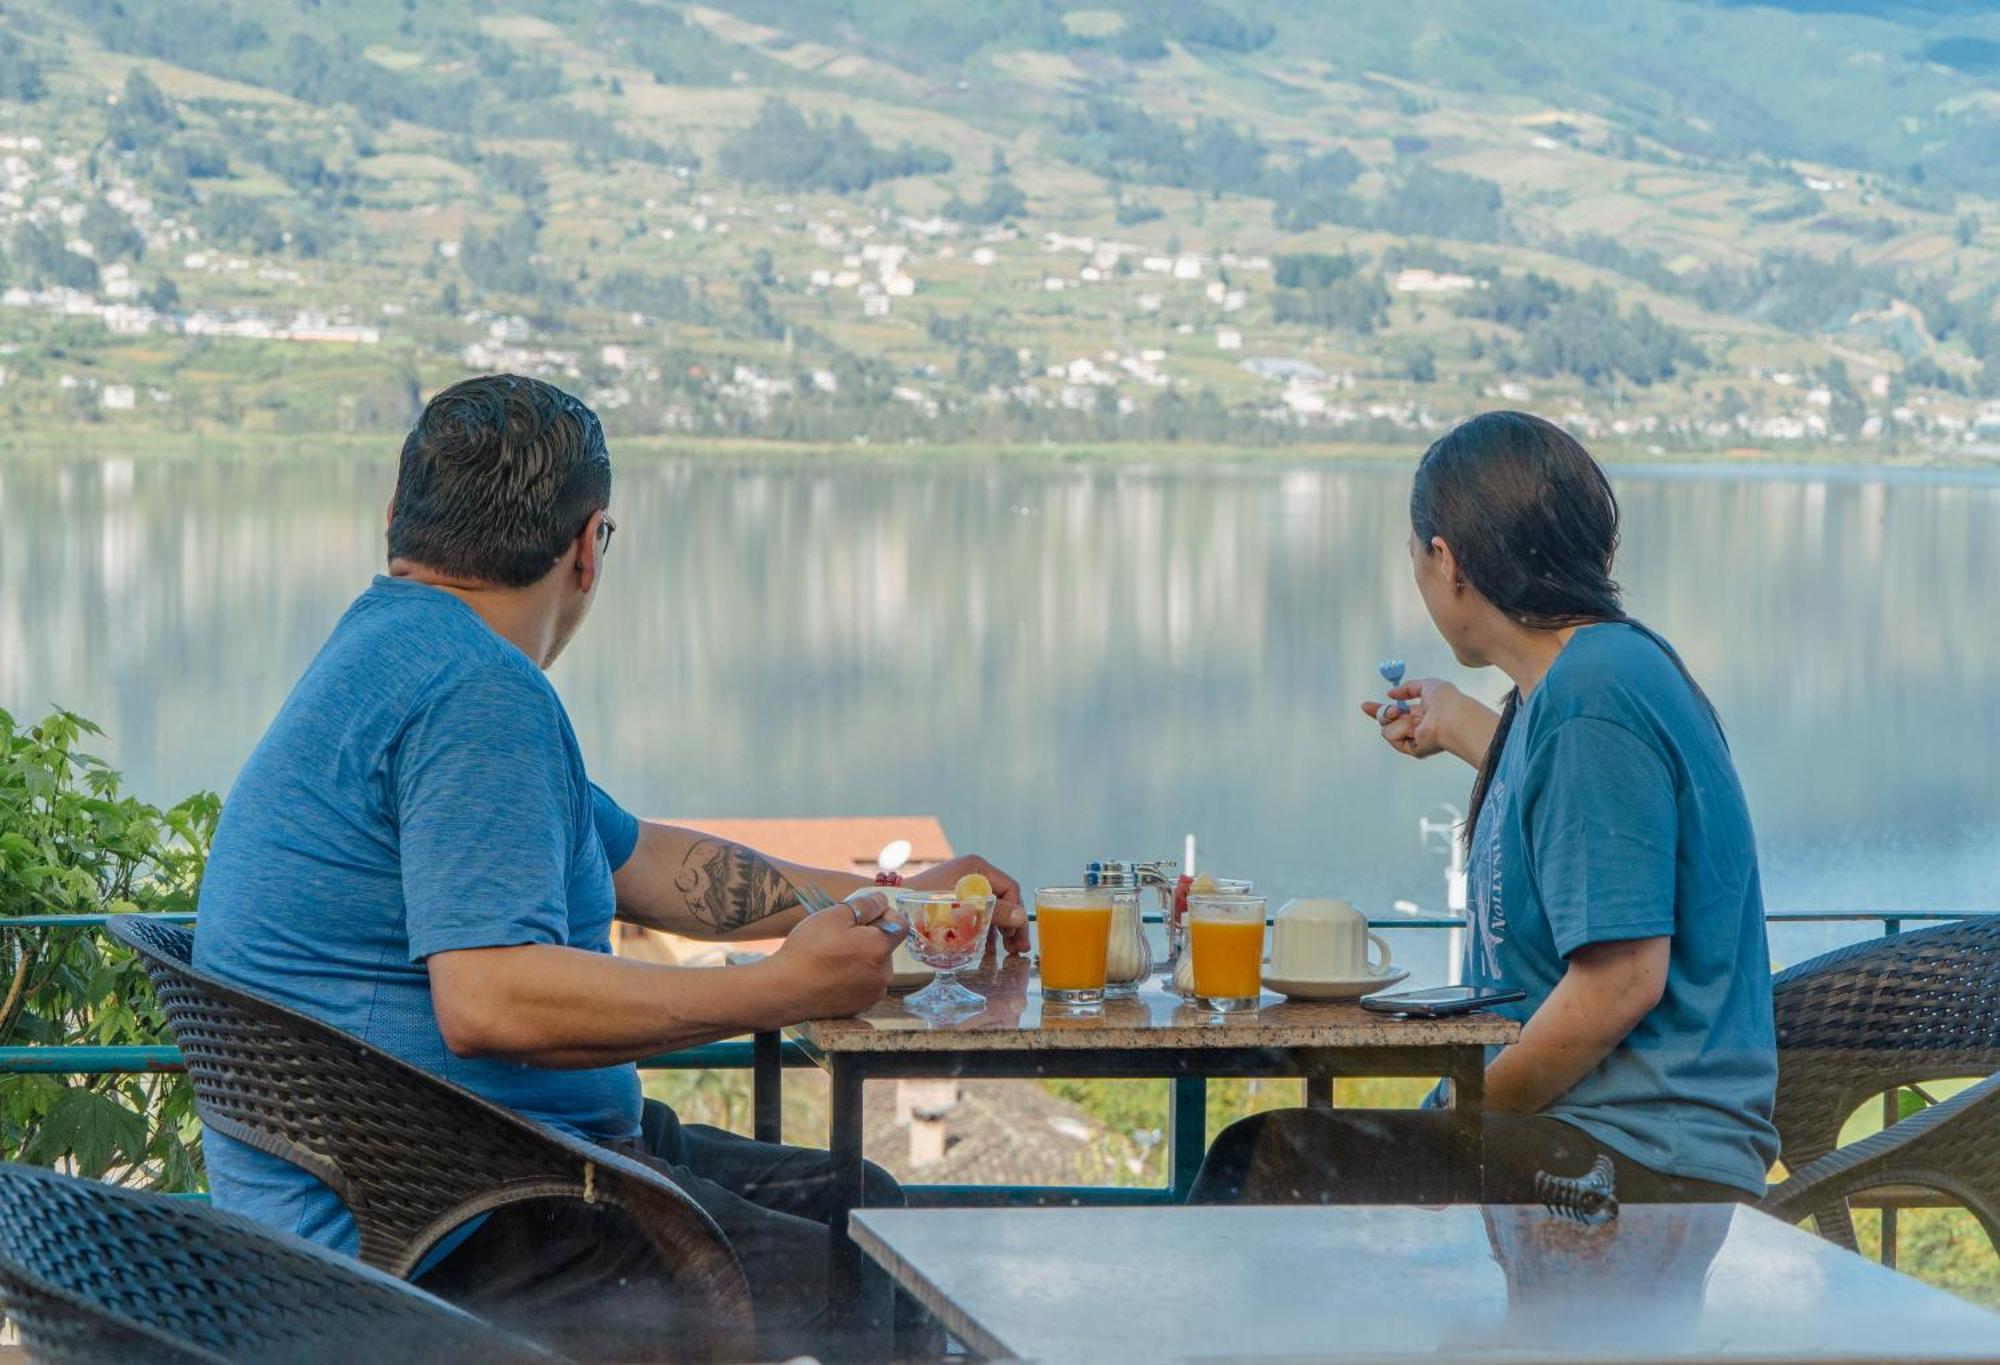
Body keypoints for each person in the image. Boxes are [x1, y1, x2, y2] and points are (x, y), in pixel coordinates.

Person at [194, 374, 1028, 1362]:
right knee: (866, 1268)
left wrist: (891, 898)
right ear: (589, 547)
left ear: (396, 521)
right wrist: (776, 990)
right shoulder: (475, 692)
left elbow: (645, 861)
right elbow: (490, 1000)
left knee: (871, 1210)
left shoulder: (393, 649)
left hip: (454, 1168)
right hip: (441, 1225)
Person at [1192, 410, 1778, 1206]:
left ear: (1448, 560)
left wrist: (1469, 1111)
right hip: (1609, 1136)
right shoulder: (1592, 676)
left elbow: (1622, 981)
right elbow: (1566, 795)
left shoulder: (1591, 702)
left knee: (1264, 1160)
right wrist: (1464, 724)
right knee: (1275, 1158)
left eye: (1415, 555)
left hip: (1636, 1157)